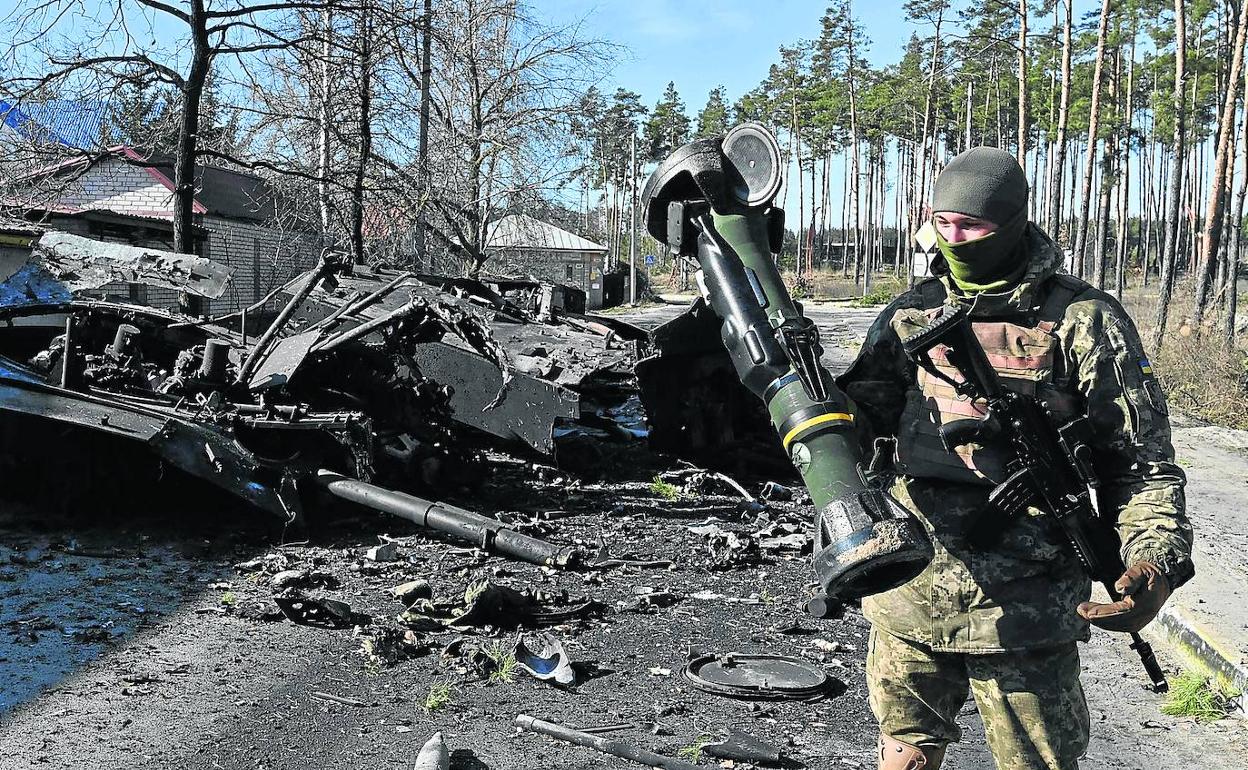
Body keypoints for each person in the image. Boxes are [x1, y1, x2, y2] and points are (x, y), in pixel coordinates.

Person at [836, 146, 1194, 770]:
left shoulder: (1082, 319)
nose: (955, 239)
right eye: (941, 223)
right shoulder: (911, 312)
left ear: (1014, 224)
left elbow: (1139, 465)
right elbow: (856, 424)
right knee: (903, 752)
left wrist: (1152, 562)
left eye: (973, 226)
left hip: (1027, 605)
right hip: (909, 588)